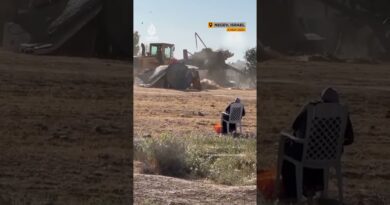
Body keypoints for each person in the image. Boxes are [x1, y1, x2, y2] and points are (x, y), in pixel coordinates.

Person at [280, 87, 354, 199]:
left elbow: (295, 126)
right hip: (331, 155)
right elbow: (350, 139)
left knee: (288, 147)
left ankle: (293, 193)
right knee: (316, 154)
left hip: (307, 154)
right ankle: (314, 186)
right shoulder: (342, 112)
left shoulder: (311, 107)